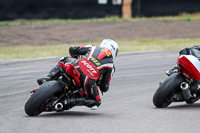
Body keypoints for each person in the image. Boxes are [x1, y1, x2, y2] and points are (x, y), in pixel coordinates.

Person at [37, 39, 119, 110]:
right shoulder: (111, 65)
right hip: (88, 81)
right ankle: (66, 102)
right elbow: (104, 87)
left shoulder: (92, 47)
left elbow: (72, 49)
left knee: (64, 59)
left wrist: (76, 56)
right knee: (96, 102)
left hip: (75, 66)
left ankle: (49, 78)